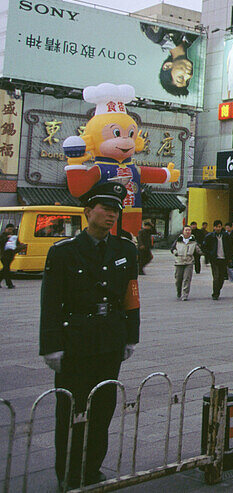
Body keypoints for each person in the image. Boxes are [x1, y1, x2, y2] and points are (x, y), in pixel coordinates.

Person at [39, 182, 139, 489]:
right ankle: (68, 473)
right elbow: (51, 302)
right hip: (76, 341)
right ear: (88, 212)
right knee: (71, 409)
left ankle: (93, 469)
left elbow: (131, 295)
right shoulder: (64, 252)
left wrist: (130, 337)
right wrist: (51, 346)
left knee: (102, 409)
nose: (111, 216)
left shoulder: (125, 249)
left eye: (115, 211)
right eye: (105, 210)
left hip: (109, 339)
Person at [201, 220, 233, 300]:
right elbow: (204, 247)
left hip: (224, 259)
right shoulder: (210, 236)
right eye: (217, 227)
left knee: (221, 277)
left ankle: (217, 290)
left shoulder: (226, 236)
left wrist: (230, 258)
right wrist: (209, 256)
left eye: (220, 226)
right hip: (214, 259)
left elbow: (230, 247)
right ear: (214, 227)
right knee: (216, 277)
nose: (218, 228)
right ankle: (215, 294)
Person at [172, 225, 198, 301]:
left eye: (189, 230)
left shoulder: (193, 241)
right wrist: (176, 252)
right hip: (179, 261)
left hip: (189, 262)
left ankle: (185, 295)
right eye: (186, 230)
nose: (187, 231)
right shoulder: (178, 240)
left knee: (187, 279)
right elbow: (172, 248)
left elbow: (198, 250)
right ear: (183, 231)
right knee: (178, 279)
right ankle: (179, 291)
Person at [1, 222, 21, 289]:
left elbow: (17, 244)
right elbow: (1, 242)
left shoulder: (14, 237)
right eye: (9, 229)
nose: (10, 231)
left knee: (5, 269)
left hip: (11, 255)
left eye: (11, 230)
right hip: (3, 255)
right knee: (6, 269)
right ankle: (9, 284)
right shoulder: (3, 235)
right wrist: (7, 238)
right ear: (6, 229)